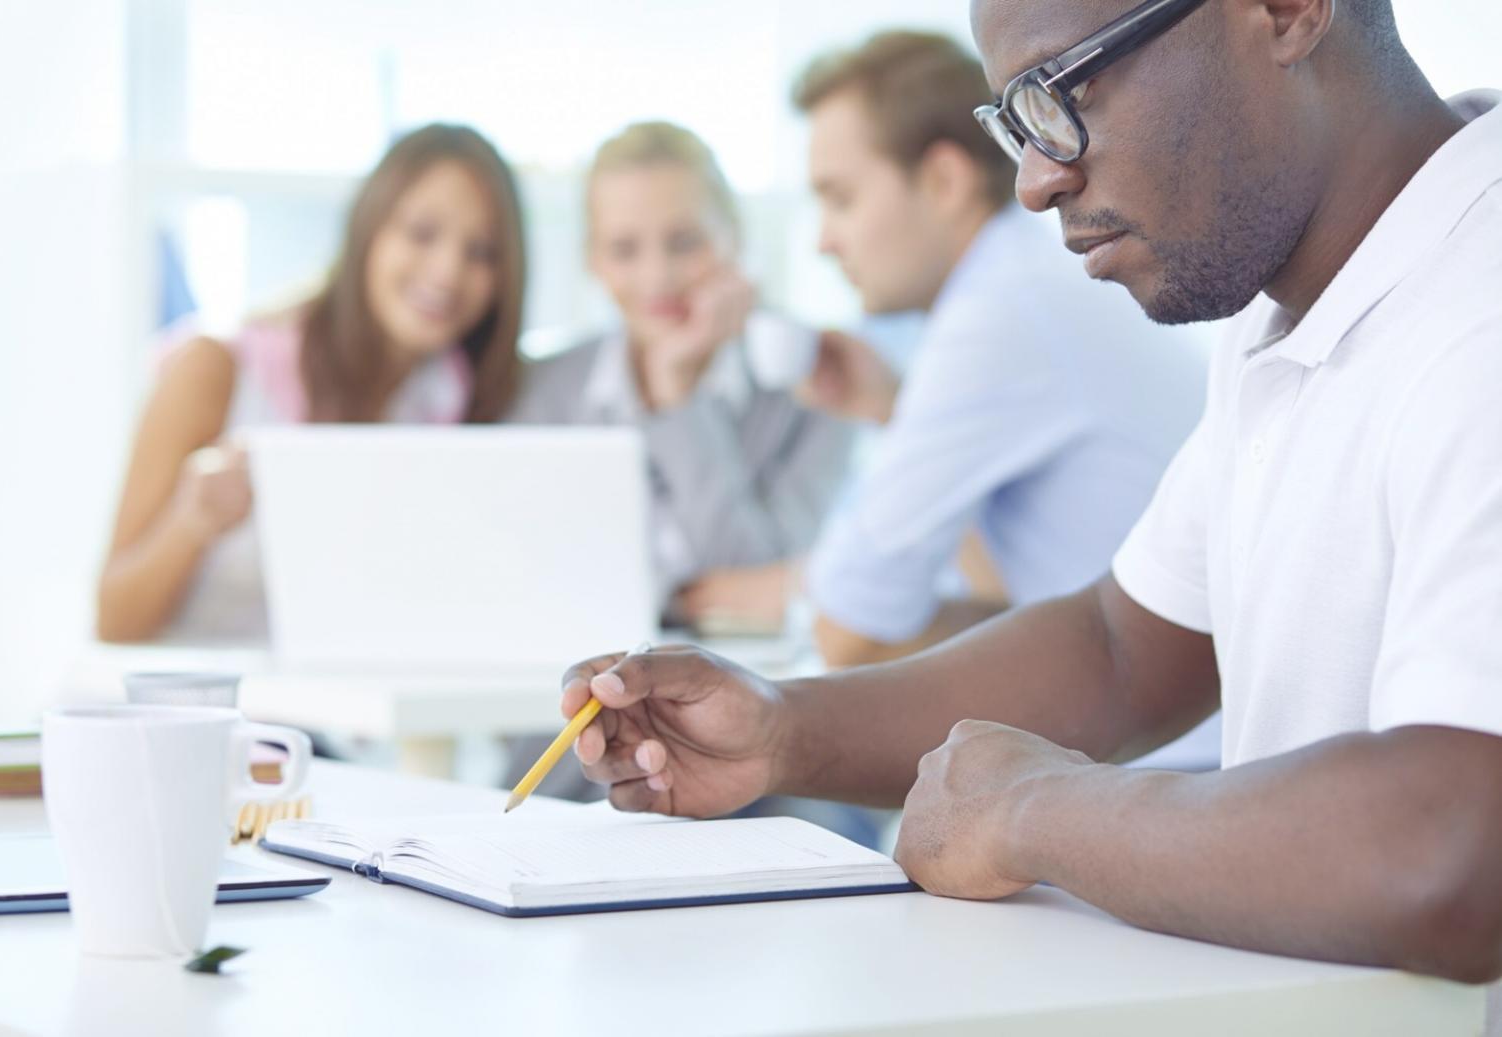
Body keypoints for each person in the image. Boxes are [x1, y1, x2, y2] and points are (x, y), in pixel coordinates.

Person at [559, 0, 1502, 988]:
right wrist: (779, 727)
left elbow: (1455, 849)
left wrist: (1033, 812)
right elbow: (1122, 645)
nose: (1036, 181)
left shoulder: (1475, 312)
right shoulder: (1307, 305)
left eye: (1061, 91)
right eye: (1015, 121)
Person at [787, 31, 1206, 668]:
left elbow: (851, 628)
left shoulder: (1002, 312)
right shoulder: (1029, 280)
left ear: (944, 181)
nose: (823, 241)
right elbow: (1004, 588)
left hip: (1174, 753)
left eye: (840, 199)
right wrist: (889, 406)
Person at [97, 124, 526, 642]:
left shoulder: (450, 407)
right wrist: (193, 523)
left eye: (481, 252)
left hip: (321, 717)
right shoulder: (216, 368)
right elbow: (112, 621)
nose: (447, 272)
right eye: (421, 233)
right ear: (369, 230)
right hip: (185, 710)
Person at [508, 121, 853, 630]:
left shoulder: (811, 387)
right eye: (624, 250)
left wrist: (679, 399)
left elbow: (759, 596)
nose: (657, 277)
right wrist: (679, 598)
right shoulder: (541, 392)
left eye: (685, 242)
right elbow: (530, 580)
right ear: (593, 260)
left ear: (732, 236)